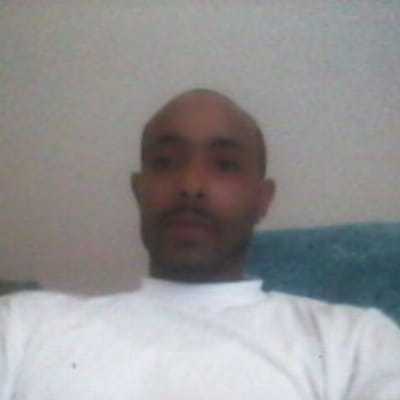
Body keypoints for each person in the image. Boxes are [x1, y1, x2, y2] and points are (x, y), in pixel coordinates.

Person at [1, 89, 399, 399]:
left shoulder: (355, 341)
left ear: (262, 199)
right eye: (165, 162)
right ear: (139, 192)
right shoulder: (24, 326)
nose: (191, 185)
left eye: (224, 165)